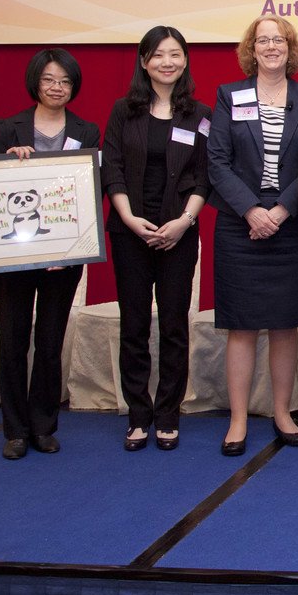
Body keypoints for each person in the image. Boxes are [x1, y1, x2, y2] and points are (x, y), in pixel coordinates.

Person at [208, 15, 298, 456]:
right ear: (251, 49)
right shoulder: (229, 95)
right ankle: (238, 419)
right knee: (242, 326)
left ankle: (283, 413)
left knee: (285, 324)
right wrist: (252, 210)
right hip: (240, 224)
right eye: (263, 40)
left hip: (290, 223)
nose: (271, 46)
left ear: (291, 49)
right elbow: (217, 161)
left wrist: (283, 209)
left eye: (279, 40)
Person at [101, 26, 211, 452]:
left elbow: (204, 175)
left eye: (176, 54)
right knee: (133, 325)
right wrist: (129, 218)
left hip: (178, 232)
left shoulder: (199, 114)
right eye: (159, 54)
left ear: (185, 60)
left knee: (174, 325)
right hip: (130, 231)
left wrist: (184, 221)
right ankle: (138, 415)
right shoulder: (123, 110)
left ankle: (168, 413)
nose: (168, 62)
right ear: (144, 61)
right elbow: (111, 167)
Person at [0, 48, 101, 460]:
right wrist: (7, 163)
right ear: (35, 82)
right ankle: (15, 430)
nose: (57, 88)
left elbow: (89, 191)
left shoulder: (87, 132)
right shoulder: (8, 128)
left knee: (51, 342)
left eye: (65, 81)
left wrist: (67, 249)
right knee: (13, 341)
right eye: (49, 80)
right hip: (13, 257)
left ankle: (43, 426)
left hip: (63, 258)